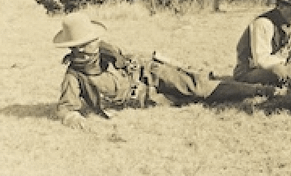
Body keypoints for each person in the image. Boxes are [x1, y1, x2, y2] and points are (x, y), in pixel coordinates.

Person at [54, 12, 278, 129]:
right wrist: (74, 119)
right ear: (75, 47)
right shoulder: (75, 77)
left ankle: (261, 90)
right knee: (196, 100)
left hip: (149, 72)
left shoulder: (105, 50)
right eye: (87, 42)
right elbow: (65, 109)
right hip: (145, 98)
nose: (93, 45)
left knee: (198, 87)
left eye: (94, 39)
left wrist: (161, 62)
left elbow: (131, 59)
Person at [233, 0, 291, 86]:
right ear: (281, 6)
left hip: (278, 66)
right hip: (249, 70)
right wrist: (286, 65)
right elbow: (261, 61)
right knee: (279, 73)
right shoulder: (263, 23)